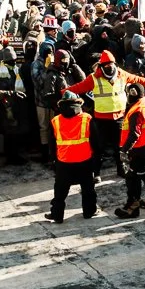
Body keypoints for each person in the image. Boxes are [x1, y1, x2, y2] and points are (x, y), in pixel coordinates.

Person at [47, 93, 99, 223]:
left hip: (64, 162)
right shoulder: (87, 119)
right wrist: (96, 161)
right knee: (88, 188)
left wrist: (54, 160)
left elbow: (51, 144)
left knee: (60, 191)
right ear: (79, 104)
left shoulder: (55, 121)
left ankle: (57, 215)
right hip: (84, 160)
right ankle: (89, 211)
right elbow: (96, 142)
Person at [115, 84, 145, 218]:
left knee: (133, 177)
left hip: (139, 149)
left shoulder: (136, 110)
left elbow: (134, 134)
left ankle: (132, 207)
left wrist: (124, 150)